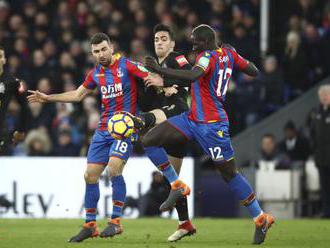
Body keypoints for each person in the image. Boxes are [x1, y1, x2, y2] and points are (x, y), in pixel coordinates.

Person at [27, 33, 190, 242]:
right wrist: (48, 98)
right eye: (96, 51)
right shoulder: (95, 73)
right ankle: (90, 224)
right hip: (104, 129)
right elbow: (78, 95)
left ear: (111, 47)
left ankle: (115, 222)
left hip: (125, 127)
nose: (101, 54)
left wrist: (166, 87)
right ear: (92, 53)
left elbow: (148, 75)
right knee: (90, 176)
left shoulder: (127, 65)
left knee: (114, 168)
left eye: (104, 49)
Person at [143, 24, 274, 244]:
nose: (193, 46)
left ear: (205, 42)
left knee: (229, 174)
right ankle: (177, 185)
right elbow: (253, 70)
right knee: (149, 140)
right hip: (192, 118)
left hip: (212, 126)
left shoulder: (206, 57)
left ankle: (261, 218)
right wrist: (234, 63)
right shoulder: (229, 52)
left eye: (196, 42)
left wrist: (160, 69)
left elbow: (194, 75)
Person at [138, 24, 196, 242]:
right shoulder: (155, 67)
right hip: (172, 126)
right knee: (173, 182)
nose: (159, 42)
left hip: (179, 114)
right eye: (156, 39)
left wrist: (167, 83)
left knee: (144, 123)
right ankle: (185, 224)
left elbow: (191, 76)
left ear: (172, 43)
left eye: (164, 38)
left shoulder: (176, 58)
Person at [0, 45, 27, 155]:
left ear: (4, 60)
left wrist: (20, 130)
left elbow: (24, 106)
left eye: (0, 56)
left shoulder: (14, 82)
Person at [308, 84, 330, 218]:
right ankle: (326, 211)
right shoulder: (316, 111)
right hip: (321, 156)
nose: (324, 98)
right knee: (324, 186)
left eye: (326, 95)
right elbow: (311, 132)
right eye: (321, 95)